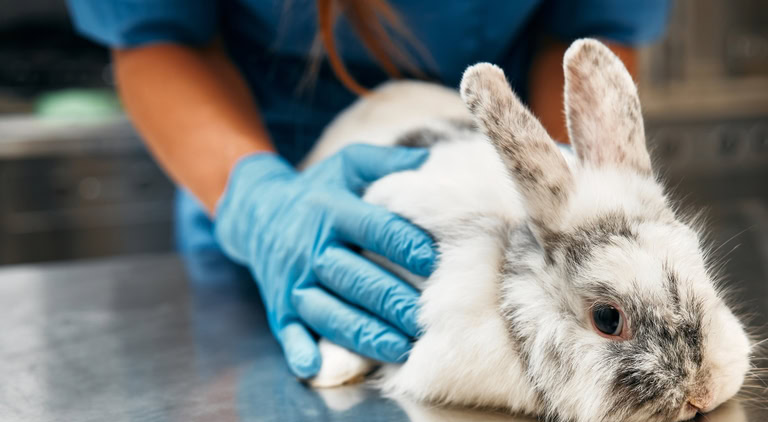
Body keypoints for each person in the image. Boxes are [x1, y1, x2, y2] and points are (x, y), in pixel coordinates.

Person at [66, 1, 671, 380]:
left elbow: (591, 26)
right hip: (257, 169)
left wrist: (559, 193)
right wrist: (259, 205)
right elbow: (153, 35)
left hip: (494, 166)